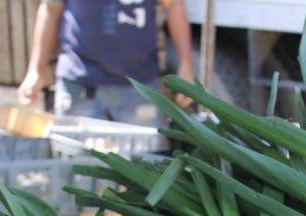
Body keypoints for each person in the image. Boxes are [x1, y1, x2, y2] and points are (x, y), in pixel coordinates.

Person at [17, 0, 194, 125]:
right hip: (80, 85)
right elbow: (50, 10)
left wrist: (186, 65)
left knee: (141, 167)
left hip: (139, 87)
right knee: (79, 169)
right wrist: (35, 71)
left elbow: (174, 5)